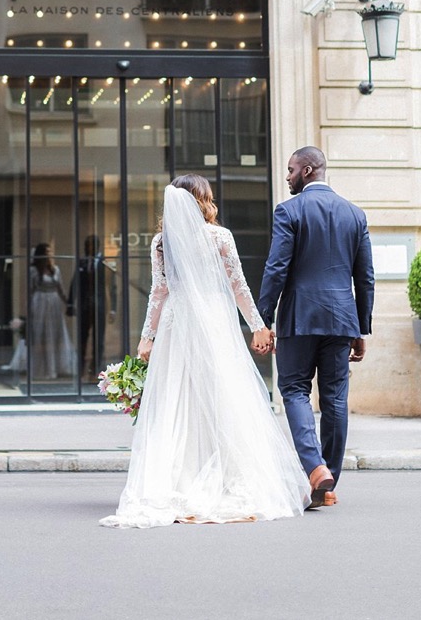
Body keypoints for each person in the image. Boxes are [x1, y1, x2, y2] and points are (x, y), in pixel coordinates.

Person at [101, 175, 309, 528]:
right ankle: (226, 478)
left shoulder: (161, 242)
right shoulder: (219, 237)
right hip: (212, 322)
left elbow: (159, 292)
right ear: (204, 199)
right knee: (221, 397)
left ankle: (174, 481)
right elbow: (239, 287)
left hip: (175, 324)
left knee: (176, 399)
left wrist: (147, 337)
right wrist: (258, 325)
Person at [254, 146, 375, 510]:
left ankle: (315, 468)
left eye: (291, 170)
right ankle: (327, 482)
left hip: (299, 318)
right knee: (335, 398)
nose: (287, 176)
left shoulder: (289, 210)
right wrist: (361, 327)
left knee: (293, 390)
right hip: (341, 320)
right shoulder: (355, 215)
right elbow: (365, 277)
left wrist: (264, 318)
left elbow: (277, 268)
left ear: (307, 170)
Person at [68, 235, 115, 379]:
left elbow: (112, 287)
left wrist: (113, 309)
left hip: (99, 305)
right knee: (82, 338)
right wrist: (71, 303)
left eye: (91, 246)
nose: (89, 249)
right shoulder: (82, 262)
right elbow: (75, 282)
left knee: (98, 339)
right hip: (84, 306)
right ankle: (81, 369)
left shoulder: (104, 263)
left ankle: (95, 370)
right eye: (87, 246)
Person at [28, 243, 76, 380]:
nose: (49, 254)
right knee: (41, 335)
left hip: (54, 304)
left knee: (55, 335)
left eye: (50, 252)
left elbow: (61, 288)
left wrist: (69, 303)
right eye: (46, 252)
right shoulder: (34, 270)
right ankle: (41, 370)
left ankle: (56, 368)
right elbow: (30, 290)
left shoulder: (55, 269)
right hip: (39, 303)